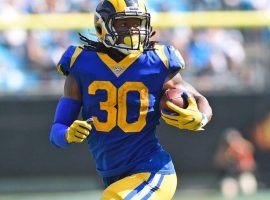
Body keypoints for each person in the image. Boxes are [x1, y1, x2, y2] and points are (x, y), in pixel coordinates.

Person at [50, 0, 212, 199]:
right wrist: (68, 134)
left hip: (152, 171)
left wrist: (201, 117)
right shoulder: (81, 64)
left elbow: (198, 97)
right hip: (115, 177)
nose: (133, 30)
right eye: (124, 24)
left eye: (137, 23)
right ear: (103, 26)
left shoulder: (157, 61)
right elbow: (57, 130)